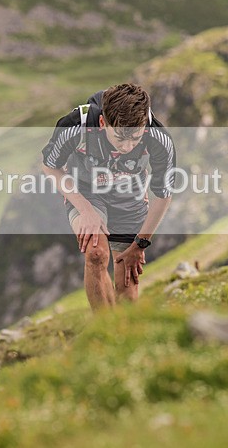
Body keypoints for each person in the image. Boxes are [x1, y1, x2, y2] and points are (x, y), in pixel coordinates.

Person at [41, 83, 175, 310]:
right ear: (103, 123)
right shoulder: (75, 125)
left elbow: (163, 195)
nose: (127, 146)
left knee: (127, 288)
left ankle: (122, 335)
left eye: (135, 139)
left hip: (130, 197)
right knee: (95, 253)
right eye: (120, 138)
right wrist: (86, 210)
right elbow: (50, 166)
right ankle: (102, 328)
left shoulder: (159, 138)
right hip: (87, 191)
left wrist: (140, 244)